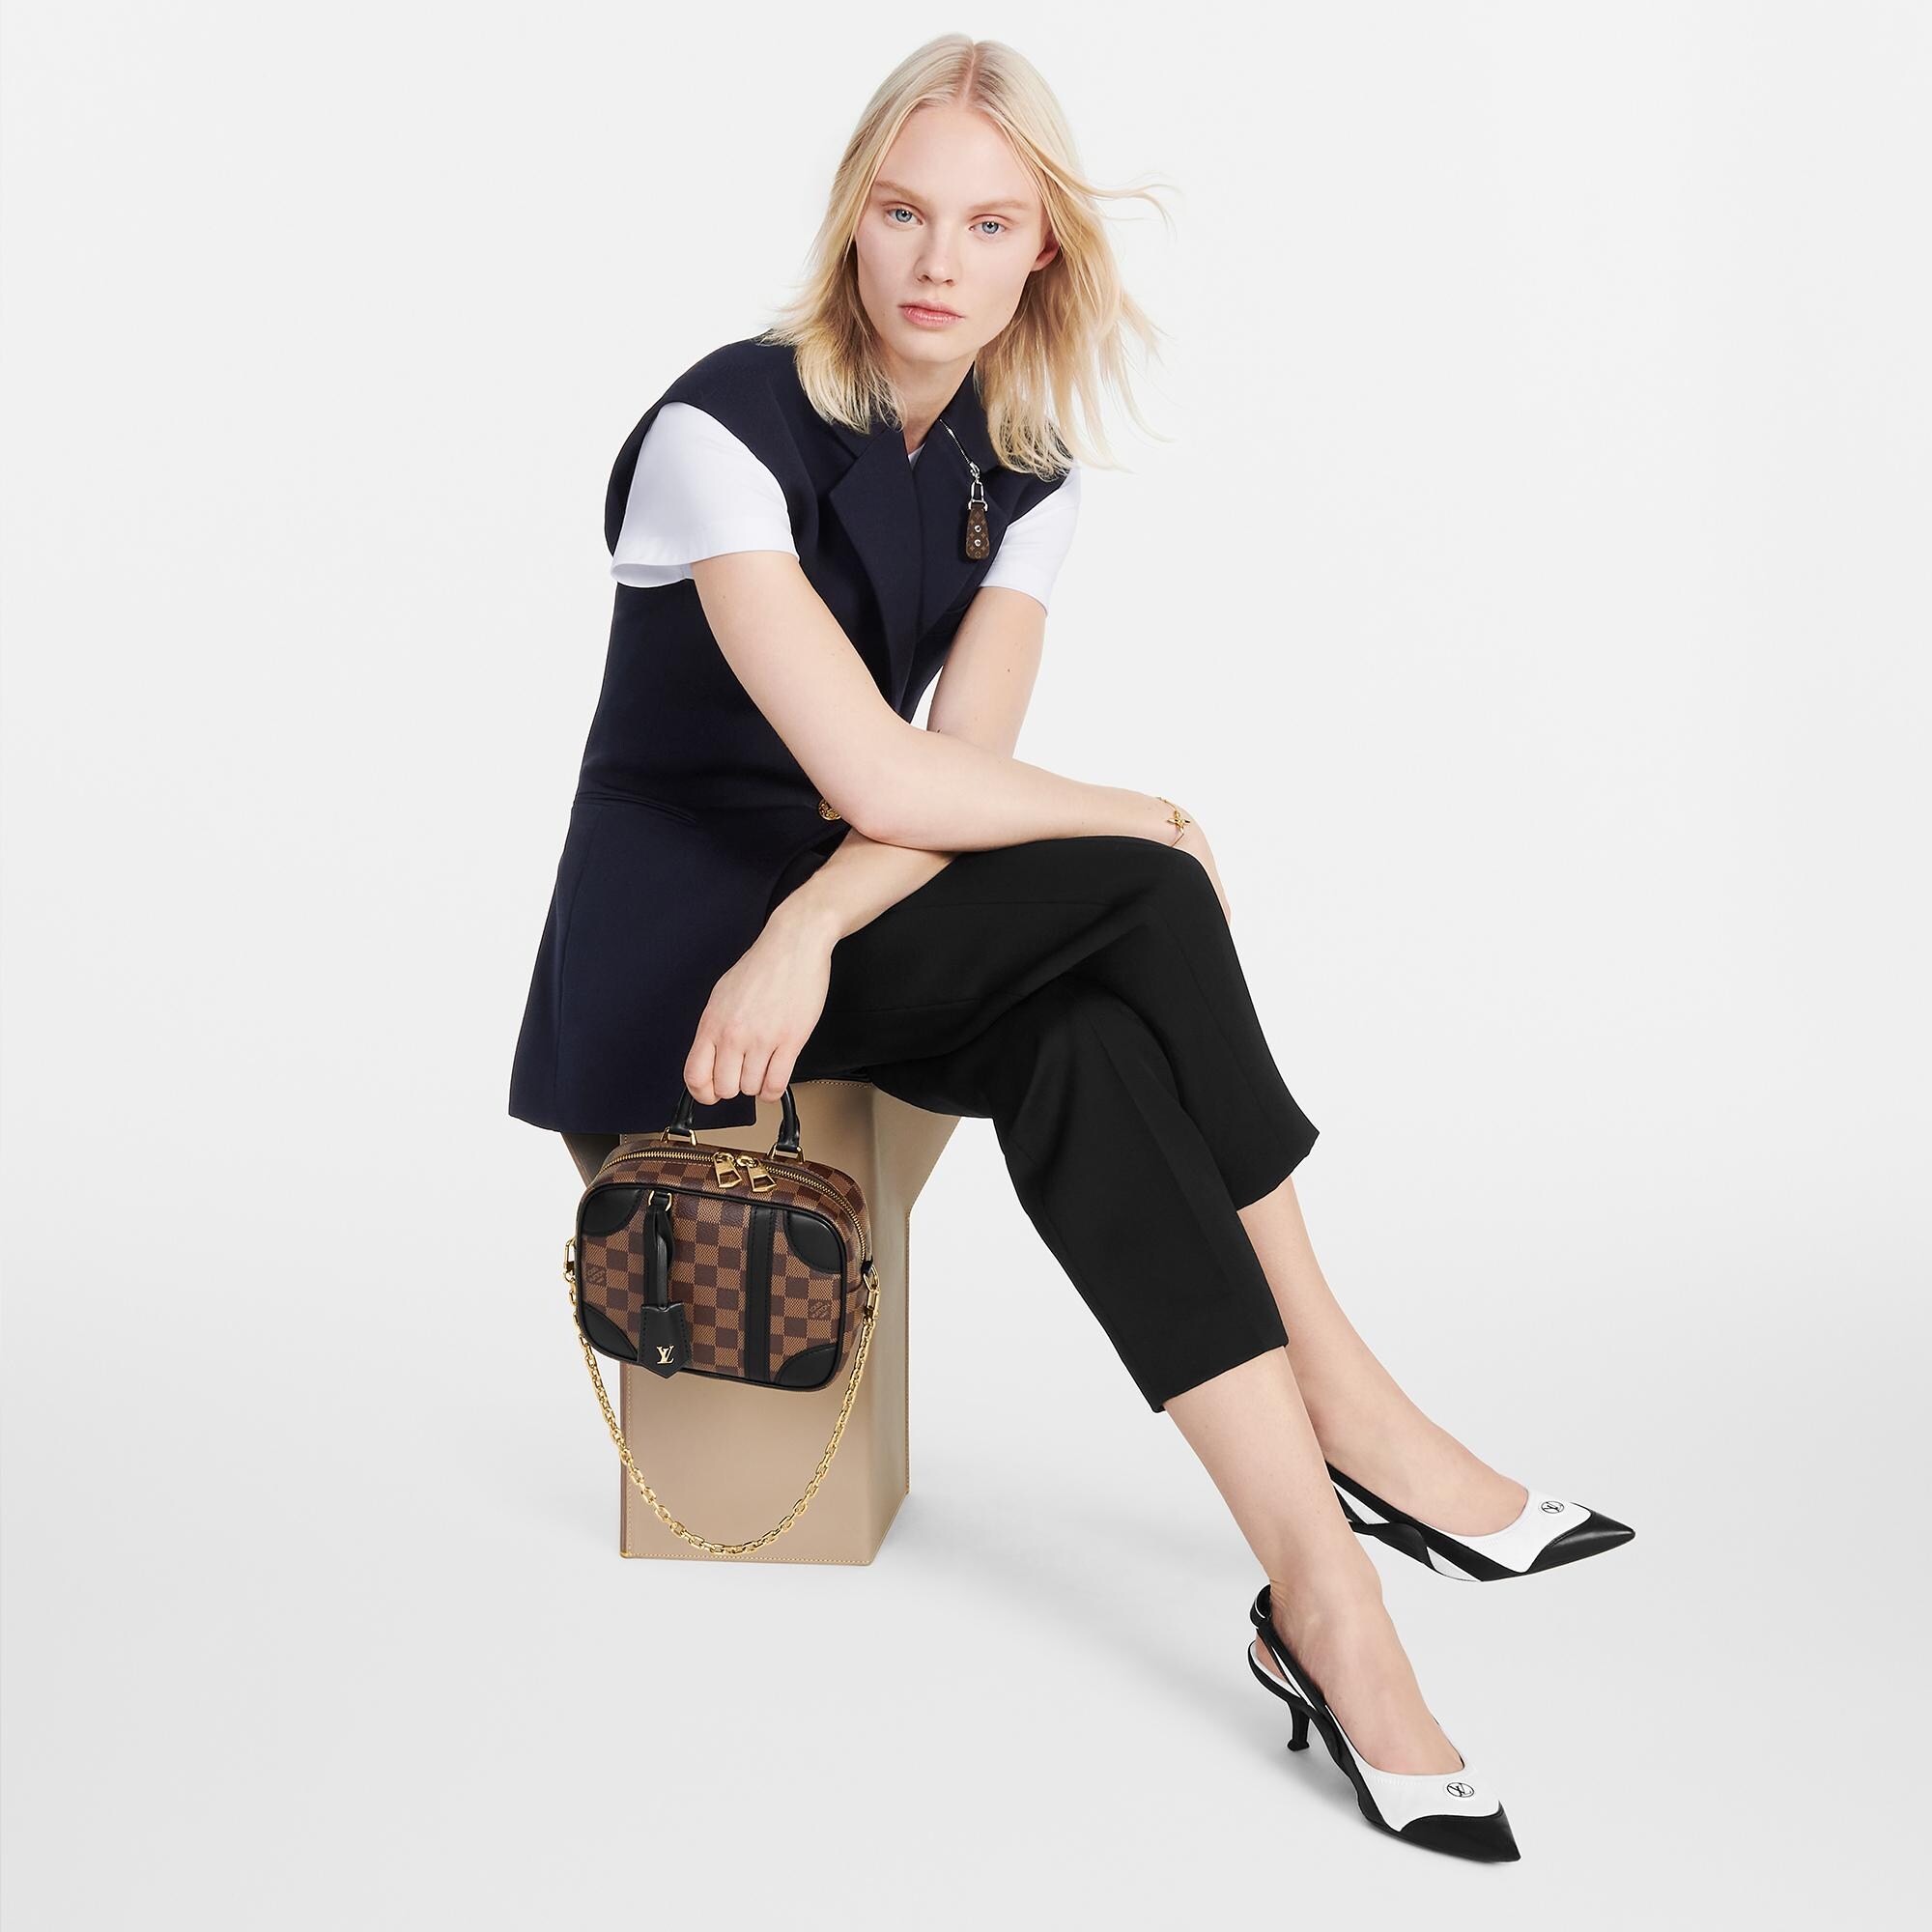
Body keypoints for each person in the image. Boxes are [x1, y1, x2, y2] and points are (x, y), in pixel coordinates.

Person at [508, 33, 1633, 1861]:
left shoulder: (1023, 472)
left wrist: (818, 919)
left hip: (827, 915)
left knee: (1085, 1051)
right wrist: (1143, 817)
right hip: (674, 961)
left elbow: (953, 787)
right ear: (852, 222)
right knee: (1150, 885)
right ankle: (1349, 1403)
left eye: (986, 224)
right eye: (903, 212)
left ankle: (1325, 1600)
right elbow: (887, 772)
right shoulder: (723, 428)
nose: (936, 260)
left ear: (1044, 250)